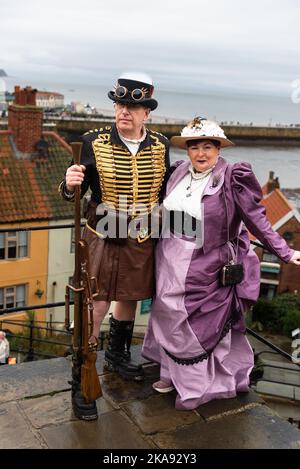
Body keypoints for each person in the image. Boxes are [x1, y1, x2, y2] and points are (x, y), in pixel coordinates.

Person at [142, 117, 300, 410]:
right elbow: (161, 214)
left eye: (207, 147)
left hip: (207, 265)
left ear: (218, 149)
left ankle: (194, 385)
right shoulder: (177, 173)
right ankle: (171, 374)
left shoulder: (232, 179)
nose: (201, 154)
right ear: (186, 150)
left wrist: (285, 251)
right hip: (169, 257)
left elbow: (257, 219)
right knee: (167, 315)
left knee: (197, 325)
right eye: (194, 147)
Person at [59, 72, 170, 419]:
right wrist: (68, 182)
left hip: (141, 237)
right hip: (103, 236)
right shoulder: (93, 142)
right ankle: (82, 376)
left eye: (134, 106)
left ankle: (117, 355)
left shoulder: (161, 145)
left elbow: (167, 191)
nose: (125, 111)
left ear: (146, 113)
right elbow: (72, 192)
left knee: (129, 297)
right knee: (96, 303)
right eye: (121, 104)